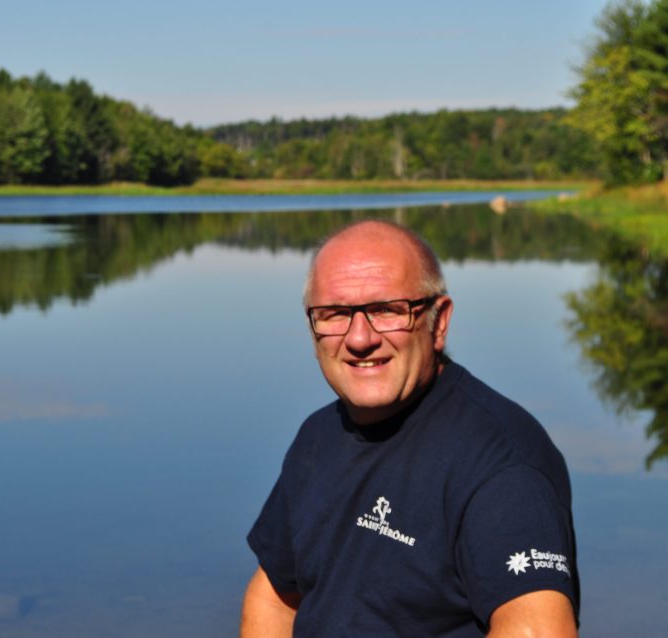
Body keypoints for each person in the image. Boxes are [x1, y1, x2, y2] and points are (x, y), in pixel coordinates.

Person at [241, 220, 579, 637]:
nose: (359, 338)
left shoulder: (501, 463)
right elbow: (274, 599)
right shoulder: (318, 437)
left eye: (387, 310)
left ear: (439, 322)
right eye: (335, 314)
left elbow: (538, 630)